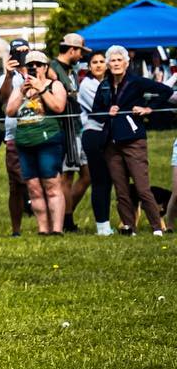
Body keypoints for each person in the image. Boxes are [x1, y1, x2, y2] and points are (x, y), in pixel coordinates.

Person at [93, 44, 177, 236]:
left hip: (133, 140)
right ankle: (129, 227)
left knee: (141, 187)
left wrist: (149, 108)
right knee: (121, 189)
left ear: (126, 62)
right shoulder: (104, 85)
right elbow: (95, 112)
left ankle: (157, 227)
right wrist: (107, 112)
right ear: (108, 64)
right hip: (111, 144)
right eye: (112, 60)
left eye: (119, 60)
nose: (115, 64)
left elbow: (165, 91)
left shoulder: (136, 82)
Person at [4, 51, 68, 237]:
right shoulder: (21, 88)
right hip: (24, 141)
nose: (34, 68)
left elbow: (58, 107)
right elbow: (9, 111)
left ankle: (56, 228)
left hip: (48, 140)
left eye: (38, 65)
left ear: (46, 67)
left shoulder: (54, 85)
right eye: (30, 65)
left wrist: (41, 89)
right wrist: (22, 92)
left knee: (51, 183)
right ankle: (43, 228)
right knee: (33, 187)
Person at [48, 33, 90, 231]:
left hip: (76, 127)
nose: (82, 56)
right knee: (67, 176)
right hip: (65, 129)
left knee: (87, 175)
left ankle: (61, 213)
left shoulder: (69, 70)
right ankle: (66, 221)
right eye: (81, 51)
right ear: (72, 50)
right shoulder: (53, 69)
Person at [77, 50, 115, 236]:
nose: (99, 65)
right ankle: (102, 226)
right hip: (93, 134)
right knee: (100, 180)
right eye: (94, 62)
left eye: (102, 61)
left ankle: (111, 223)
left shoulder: (110, 83)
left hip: (109, 135)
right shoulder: (87, 85)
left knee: (110, 180)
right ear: (89, 66)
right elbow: (102, 109)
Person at [0, 40, 32, 237]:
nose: (21, 57)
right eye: (16, 53)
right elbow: (4, 98)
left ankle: (47, 223)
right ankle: (16, 229)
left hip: (37, 130)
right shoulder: (5, 77)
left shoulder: (38, 71)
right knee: (16, 185)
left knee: (41, 180)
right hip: (14, 134)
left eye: (24, 52)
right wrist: (10, 75)